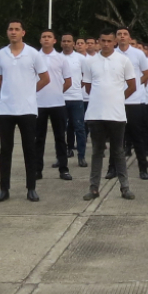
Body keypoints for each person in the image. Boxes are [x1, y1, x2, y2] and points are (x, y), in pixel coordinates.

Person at [0, 20, 50, 202]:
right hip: (5, 110)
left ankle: (31, 188)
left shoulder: (32, 53)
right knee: (5, 150)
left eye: (17, 29)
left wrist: (29, 92)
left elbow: (45, 78)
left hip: (27, 109)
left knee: (29, 149)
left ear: (23, 32)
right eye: (10, 29)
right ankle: (4, 189)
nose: (13, 32)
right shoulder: (1, 54)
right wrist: (8, 93)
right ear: (7, 32)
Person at [81, 29, 138, 202]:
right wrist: (101, 99)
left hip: (116, 114)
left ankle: (125, 187)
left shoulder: (123, 61)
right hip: (96, 114)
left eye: (109, 41)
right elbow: (88, 87)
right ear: (98, 41)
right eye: (102, 40)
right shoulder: (90, 62)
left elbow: (132, 86)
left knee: (118, 151)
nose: (105, 44)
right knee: (97, 151)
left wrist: (118, 99)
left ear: (114, 42)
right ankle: (94, 187)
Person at [116, 28, 148, 180]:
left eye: (125, 34)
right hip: (116, 102)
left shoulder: (138, 54)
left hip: (134, 101)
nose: (122, 36)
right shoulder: (112, 54)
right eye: (119, 34)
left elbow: (147, 74)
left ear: (129, 37)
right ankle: (113, 169)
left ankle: (143, 168)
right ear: (116, 38)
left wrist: (136, 85)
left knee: (138, 137)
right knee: (117, 138)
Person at [34, 30, 72, 182]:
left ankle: (64, 169)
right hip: (38, 104)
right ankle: (37, 170)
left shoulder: (61, 59)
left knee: (60, 138)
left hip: (57, 103)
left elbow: (68, 81)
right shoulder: (34, 57)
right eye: (44, 37)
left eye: (49, 37)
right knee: (38, 139)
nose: (46, 39)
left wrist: (57, 92)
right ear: (40, 40)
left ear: (54, 40)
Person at [59, 36, 88, 166]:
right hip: (60, 99)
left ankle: (81, 156)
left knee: (79, 128)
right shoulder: (56, 58)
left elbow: (86, 76)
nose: (66, 43)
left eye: (69, 41)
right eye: (64, 41)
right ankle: (62, 156)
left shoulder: (81, 58)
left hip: (76, 98)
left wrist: (77, 87)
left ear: (73, 44)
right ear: (60, 43)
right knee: (60, 129)